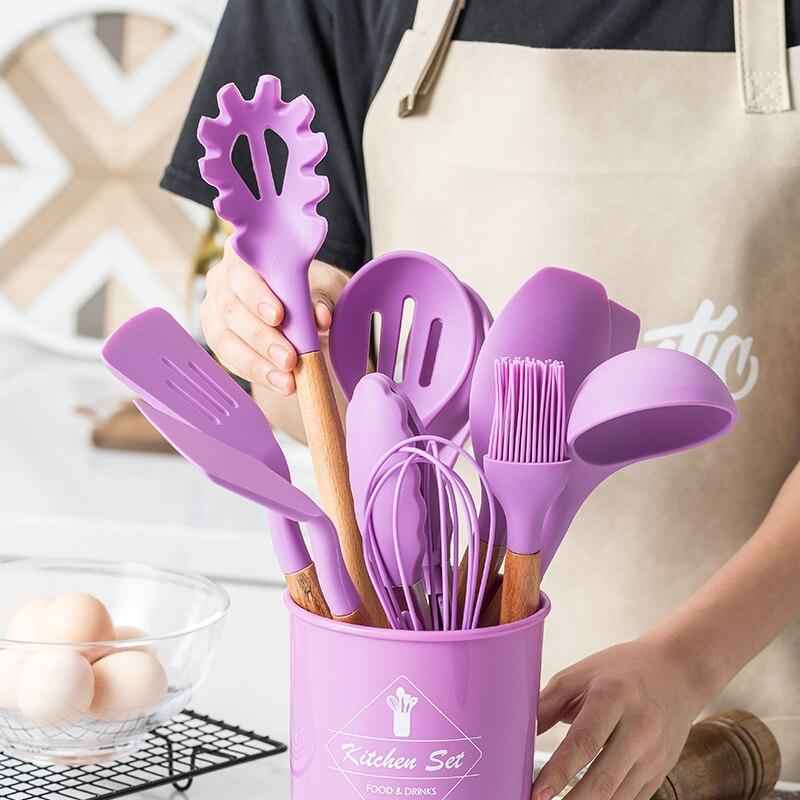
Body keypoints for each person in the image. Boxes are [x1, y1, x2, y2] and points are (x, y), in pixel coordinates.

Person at [162, 2, 800, 798]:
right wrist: (275, 338)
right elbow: (329, 391)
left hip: (733, 726)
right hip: (403, 739)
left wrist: (691, 661)